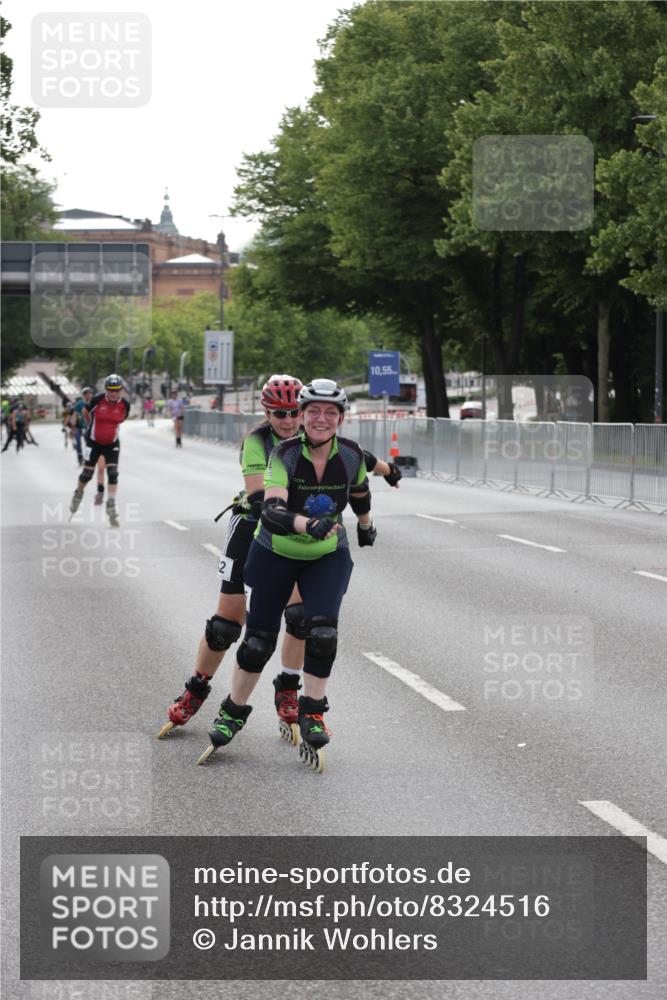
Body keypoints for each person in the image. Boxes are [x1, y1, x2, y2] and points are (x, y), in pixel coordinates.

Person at [198, 378, 375, 773]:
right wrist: (303, 524)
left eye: (330, 413)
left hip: (327, 555)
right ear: (302, 414)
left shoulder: (350, 454)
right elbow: (271, 510)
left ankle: (312, 709)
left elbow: (361, 488)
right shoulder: (283, 454)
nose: (319, 419)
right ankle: (233, 710)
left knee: (321, 631)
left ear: (341, 418)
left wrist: (365, 523)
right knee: (258, 642)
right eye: (312, 411)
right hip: (274, 550)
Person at [157, 375, 305, 739]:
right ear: (266, 412)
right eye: (279, 413)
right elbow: (260, 499)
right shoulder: (257, 441)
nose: (288, 420)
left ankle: (288, 688)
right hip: (253, 528)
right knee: (226, 625)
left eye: (294, 412)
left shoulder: (314, 441)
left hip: (296, 535)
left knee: (301, 616)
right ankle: (196, 688)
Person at [68, 373, 130, 527]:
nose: (114, 393)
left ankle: (111, 506)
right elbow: (84, 411)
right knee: (87, 474)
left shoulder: (125, 405)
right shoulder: (98, 399)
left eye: (117, 390)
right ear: (106, 389)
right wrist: (90, 426)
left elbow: (121, 420)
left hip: (112, 443)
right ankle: (78, 493)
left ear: (121, 390)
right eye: (111, 390)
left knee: (113, 474)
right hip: (93, 442)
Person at [72, 387, 93, 464]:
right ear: (84, 395)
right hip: (79, 426)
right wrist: (73, 426)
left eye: (89, 393)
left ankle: (88, 458)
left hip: (89, 427)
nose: (88, 395)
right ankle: (79, 455)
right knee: (78, 441)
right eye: (86, 394)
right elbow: (74, 415)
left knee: (88, 443)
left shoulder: (94, 403)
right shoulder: (79, 404)